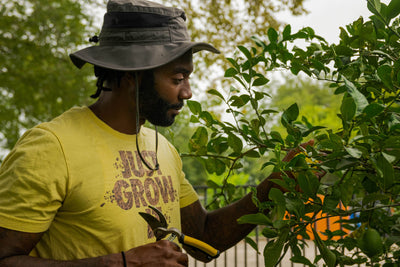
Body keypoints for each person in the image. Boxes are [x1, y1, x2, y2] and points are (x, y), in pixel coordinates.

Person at [0, 0, 314, 266]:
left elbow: (202, 238)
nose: (188, 92)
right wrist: (123, 262)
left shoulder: (161, 148)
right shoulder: (51, 147)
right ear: (132, 74)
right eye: (178, 78)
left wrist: (276, 184)